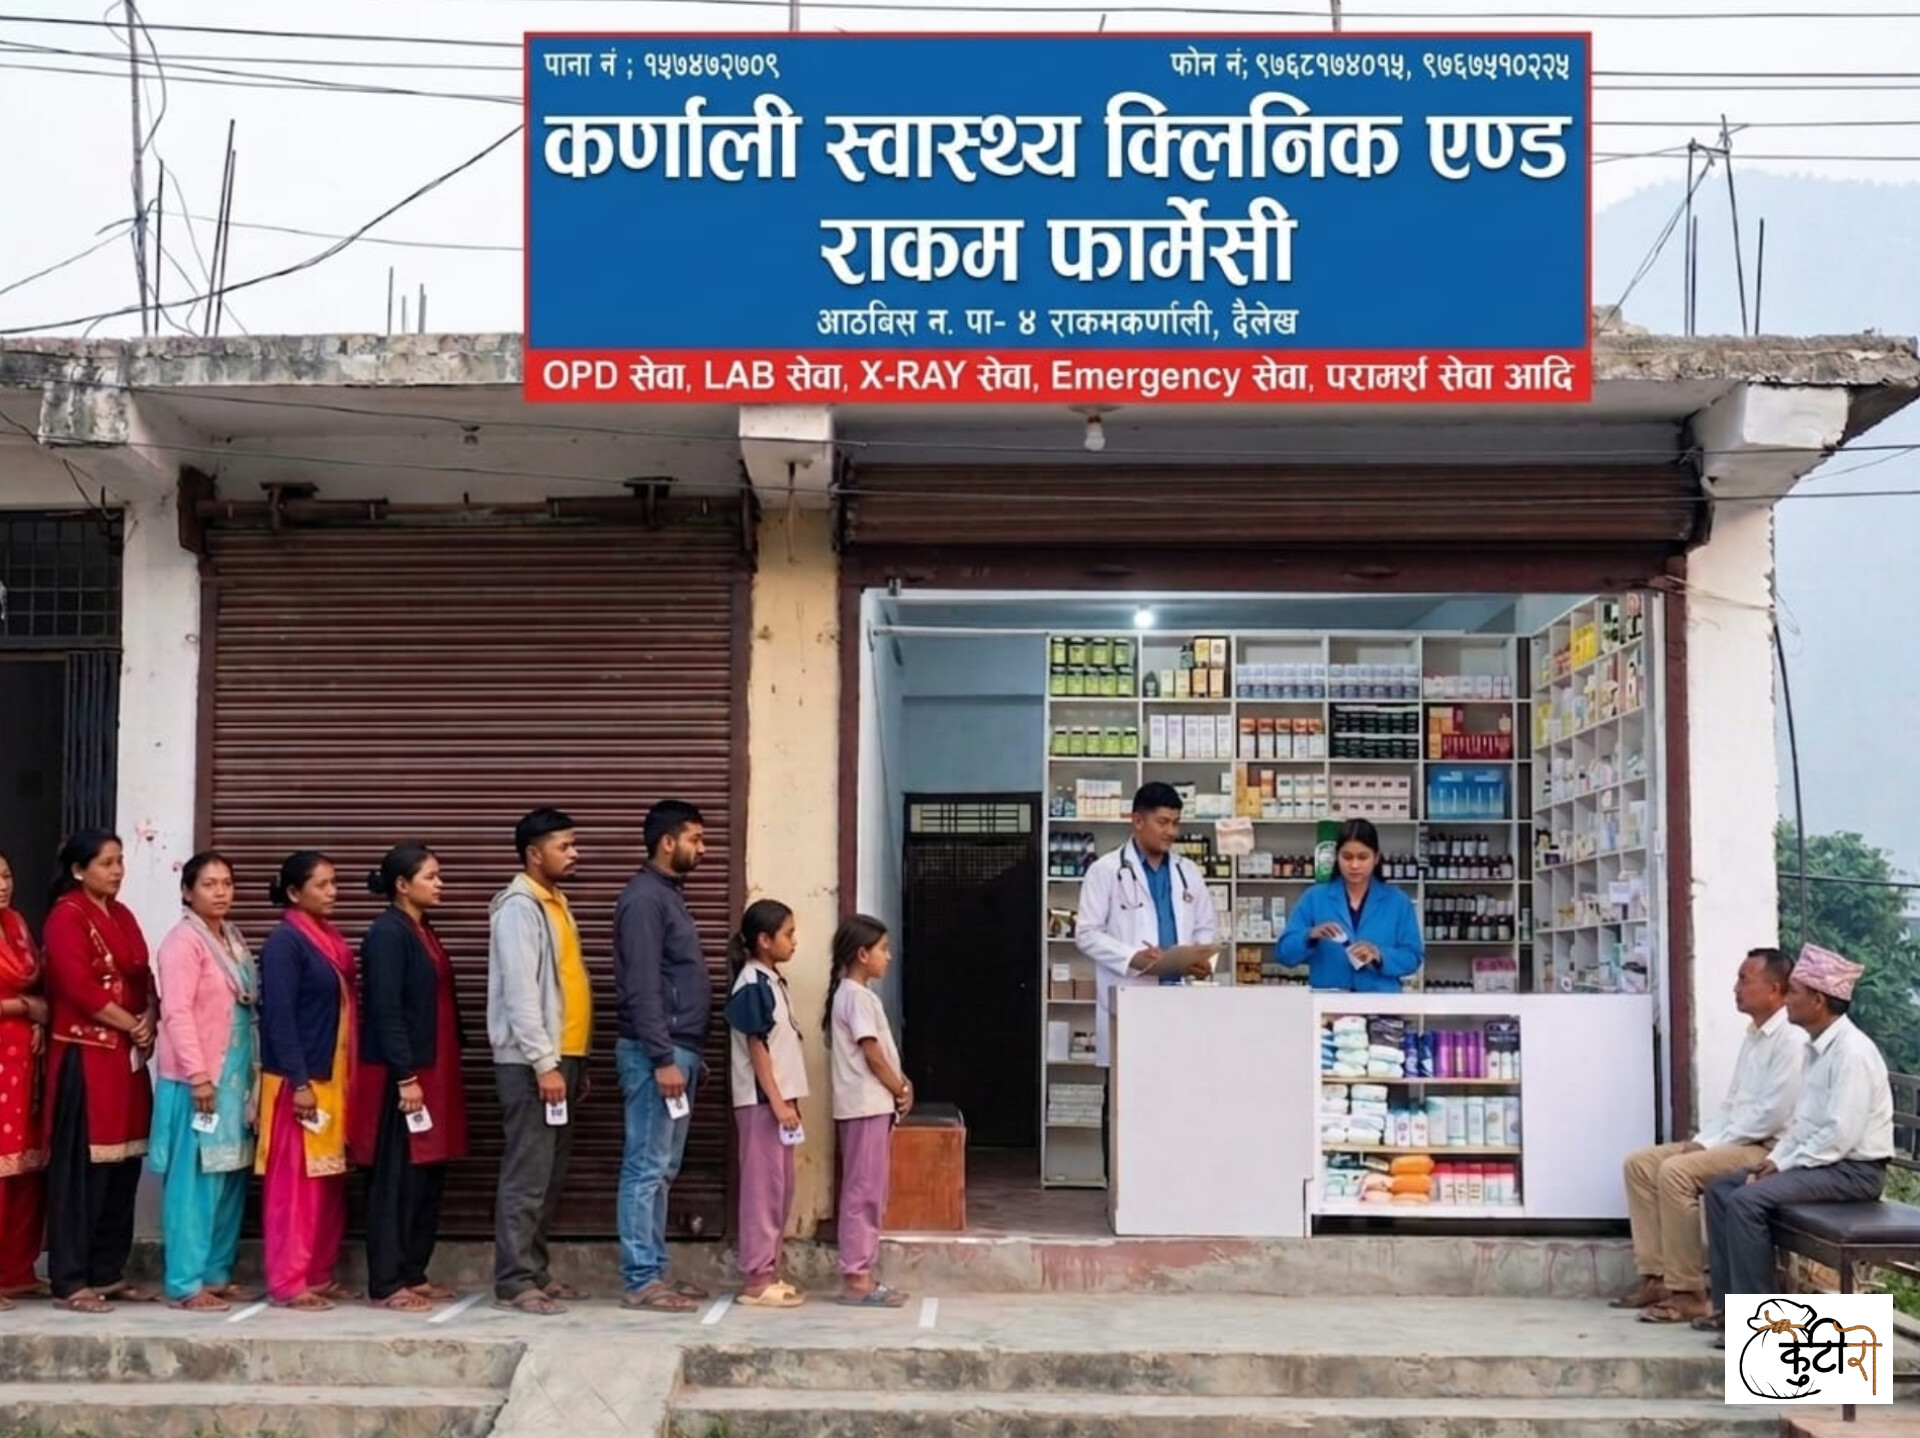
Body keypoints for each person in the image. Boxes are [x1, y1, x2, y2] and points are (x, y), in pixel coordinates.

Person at [1702, 943, 1895, 1349]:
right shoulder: (1815, 1048)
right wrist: (1776, 1160)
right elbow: (1803, 1123)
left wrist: (1786, 1166)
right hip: (1821, 1163)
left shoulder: (1852, 1052)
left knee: (1747, 1201)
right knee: (1722, 1189)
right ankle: (1728, 1310)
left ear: (1818, 1000)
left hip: (1852, 1171)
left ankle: (1758, 1327)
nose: (1786, 1000)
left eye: (1793, 992)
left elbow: (1839, 1135)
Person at [1613, 947, 1806, 1325]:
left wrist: (1708, 1146)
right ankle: (1656, 1276)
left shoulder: (1791, 1040)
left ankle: (1689, 1292)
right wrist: (1702, 1140)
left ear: (1774, 989)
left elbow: (1770, 1117)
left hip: (1767, 1148)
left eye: (1744, 980)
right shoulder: (1754, 1036)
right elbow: (1732, 1104)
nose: (1736, 988)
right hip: (1736, 1139)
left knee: (1676, 1172)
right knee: (1640, 1164)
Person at [42, 829, 157, 1313]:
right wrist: (132, 1024)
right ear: (78, 869)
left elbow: (144, 975)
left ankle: (107, 1269)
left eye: (120, 861)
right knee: (82, 1171)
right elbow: (80, 988)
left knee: (124, 1167)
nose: (117, 871)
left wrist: (149, 1016)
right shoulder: (66, 917)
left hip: (126, 1060)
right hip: (86, 1057)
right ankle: (70, 1279)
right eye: (107, 863)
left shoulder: (122, 913)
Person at [353, 842, 469, 1312]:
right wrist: (404, 1075)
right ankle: (386, 1281)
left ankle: (414, 1271)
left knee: (427, 1173)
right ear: (402, 885)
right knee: (395, 1177)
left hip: (435, 1067)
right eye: (431, 876)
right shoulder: (387, 934)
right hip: (401, 1073)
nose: (440, 884)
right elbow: (385, 1009)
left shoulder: (423, 929)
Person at [489, 808, 592, 1316]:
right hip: (533, 1063)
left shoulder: (556, 903)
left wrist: (573, 1060)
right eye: (564, 847)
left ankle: (536, 1270)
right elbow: (520, 993)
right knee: (527, 1173)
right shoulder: (519, 909)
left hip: (561, 1058)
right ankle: (514, 1279)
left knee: (549, 1174)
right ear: (534, 854)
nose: (575, 854)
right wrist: (544, 1062)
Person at [612, 798, 714, 1314]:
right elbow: (642, 984)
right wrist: (661, 1056)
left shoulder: (668, 896)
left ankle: (654, 1269)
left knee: (663, 1168)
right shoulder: (644, 900)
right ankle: (641, 1279)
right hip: (658, 1052)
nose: (703, 848)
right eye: (695, 838)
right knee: (646, 1166)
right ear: (667, 841)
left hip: (679, 1048)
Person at [150, 852, 259, 1312]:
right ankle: (185, 1282)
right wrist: (198, 1075)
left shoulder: (231, 938)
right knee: (194, 1184)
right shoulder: (183, 943)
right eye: (210, 884)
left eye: (227, 884)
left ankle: (216, 1273)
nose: (220, 892)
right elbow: (176, 1012)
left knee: (229, 1176)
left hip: (235, 1080)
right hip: (200, 1080)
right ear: (187, 892)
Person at [256, 851, 359, 1312]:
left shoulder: (329, 938)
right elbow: (278, 1016)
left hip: (332, 1076)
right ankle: (289, 1281)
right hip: (299, 1081)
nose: (332, 892)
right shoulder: (286, 943)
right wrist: (298, 1081)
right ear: (295, 893)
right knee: (295, 1187)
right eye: (322, 884)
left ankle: (318, 1273)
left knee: (328, 1180)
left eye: (334, 883)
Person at [724, 898, 807, 1309]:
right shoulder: (752, 983)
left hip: (779, 1102)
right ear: (763, 940)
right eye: (787, 934)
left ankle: (769, 1269)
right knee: (762, 1190)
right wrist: (777, 1103)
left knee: (780, 1188)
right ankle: (756, 1279)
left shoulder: (772, 980)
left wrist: (789, 1102)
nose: (794, 942)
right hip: (762, 1103)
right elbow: (757, 1048)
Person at [826, 913, 912, 1309]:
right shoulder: (856, 996)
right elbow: (873, 1054)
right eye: (883, 949)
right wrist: (900, 1088)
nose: (888, 957)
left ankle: (862, 1272)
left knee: (869, 1189)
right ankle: (857, 1277)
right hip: (865, 1106)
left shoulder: (856, 995)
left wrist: (900, 1084)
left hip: (869, 1106)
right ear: (862, 954)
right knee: (863, 1191)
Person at [1276, 818, 1424, 992]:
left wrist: (1379, 955)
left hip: (1380, 1003)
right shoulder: (1314, 898)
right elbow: (1284, 954)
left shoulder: (1397, 902)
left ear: (1376, 858)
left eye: (1363, 857)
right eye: (1347, 857)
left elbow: (1413, 957)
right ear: (1336, 857)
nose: (1354, 865)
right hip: (1329, 1002)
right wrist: (1309, 935)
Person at [0, 852, 48, 1307]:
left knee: (24, 1165)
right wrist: (25, 1008)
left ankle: (16, 1269)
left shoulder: (16, 925)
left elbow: (35, 985)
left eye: (6, 875)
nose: (2, 884)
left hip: (22, 1060)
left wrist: (36, 1013)